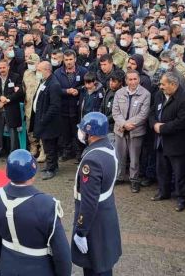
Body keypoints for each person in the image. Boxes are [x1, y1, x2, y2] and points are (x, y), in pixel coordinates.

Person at [0, 149, 71, 276]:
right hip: (39, 269)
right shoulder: (46, 204)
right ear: (33, 173)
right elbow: (62, 254)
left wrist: (1, 264)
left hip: (7, 266)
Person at [72, 112, 122, 275]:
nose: (80, 133)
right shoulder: (108, 147)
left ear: (90, 133)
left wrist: (81, 231)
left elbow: (89, 201)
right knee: (104, 263)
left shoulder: (91, 160)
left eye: (83, 130)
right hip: (106, 213)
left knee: (95, 267)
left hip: (94, 222)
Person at [149, 72, 185, 212]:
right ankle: (164, 192)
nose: (160, 86)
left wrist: (161, 128)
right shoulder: (159, 94)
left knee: (179, 173)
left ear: (173, 85)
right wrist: (154, 124)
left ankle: (182, 199)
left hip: (177, 143)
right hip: (160, 140)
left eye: (163, 84)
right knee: (162, 169)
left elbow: (181, 122)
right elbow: (152, 113)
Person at [111, 69, 150, 192]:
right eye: (130, 79)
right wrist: (123, 124)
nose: (133, 82)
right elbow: (115, 112)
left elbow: (143, 114)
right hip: (120, 130)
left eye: (135, 79)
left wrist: (130, 124)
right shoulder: (119, 93)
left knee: (134, 158)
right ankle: (120, 176)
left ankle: (134, 179)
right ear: (126, 80)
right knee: (120, 155)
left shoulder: (146, 94)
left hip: (136, 131)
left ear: (139, 80)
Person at [30, 61, 62, 180]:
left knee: (50, 147)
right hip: (42, 119)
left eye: (39, 70)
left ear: (47, 70)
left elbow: (54, 106)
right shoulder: (44, 82)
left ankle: (51, 169)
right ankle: (52, 165)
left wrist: (44, 119)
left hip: (49, 123)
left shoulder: (53, 84)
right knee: (48, 145)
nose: (37, 72)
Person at [0, 58, 25, 155]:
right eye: (0, 68)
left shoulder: (16, 77)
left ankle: (13, 153)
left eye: (4, 67)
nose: (2, 69)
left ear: (8, 67)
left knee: (13, 131)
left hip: (11, 108)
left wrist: (7, 100)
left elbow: (19, 92)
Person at [23, 53, 44, 162]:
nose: (30, 65)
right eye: (29, 63)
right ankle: (33, 147)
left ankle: (43, 150)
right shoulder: (26, 73)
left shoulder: (43, 74)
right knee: (29, 128)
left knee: (41, 129)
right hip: (28, 107)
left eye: (32, 63)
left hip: (40, 107)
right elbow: (23, 89)